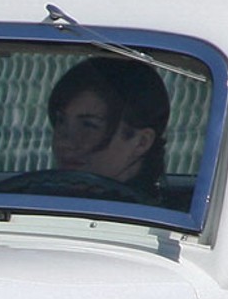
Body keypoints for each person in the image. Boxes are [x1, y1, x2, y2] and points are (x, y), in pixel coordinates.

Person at [46, 57, 170, 199]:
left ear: (141, 142)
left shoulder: (158, 217)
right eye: (61, 121)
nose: (63, 143)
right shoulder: (39, 198)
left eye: (89, 125)